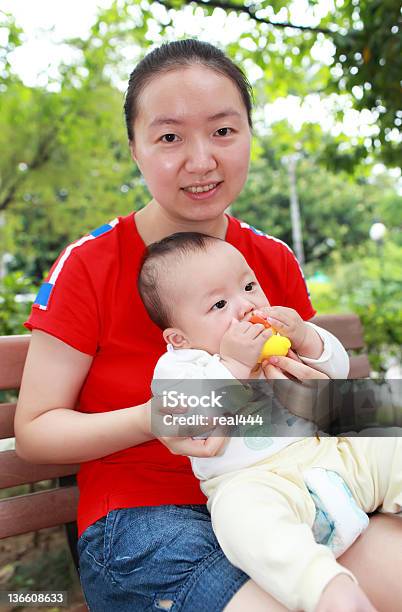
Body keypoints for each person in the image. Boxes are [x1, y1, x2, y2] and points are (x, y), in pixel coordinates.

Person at [14, 39, 402, 612]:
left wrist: (337, 397)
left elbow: (328, 402)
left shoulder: (267, 259)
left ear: (249, 133)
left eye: (223, 131)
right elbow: (36, 430)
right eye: (170, 137)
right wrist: (157, 417)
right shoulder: (90, 264)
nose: (202, 160)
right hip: (145, 519)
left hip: (297, 490)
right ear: (136, 148)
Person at [138, 231, 401, 612]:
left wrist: (307, 338)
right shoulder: (181, 365)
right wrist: (234, 365)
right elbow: (192, 418)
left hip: (331, 455)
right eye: (219, 304)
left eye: (248, 286)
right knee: (241, 521)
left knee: (388, 443)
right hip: (257, 482)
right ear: (178, 337)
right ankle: (328, 591)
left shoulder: (279, 339)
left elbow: (337, 368)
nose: (246, 306)